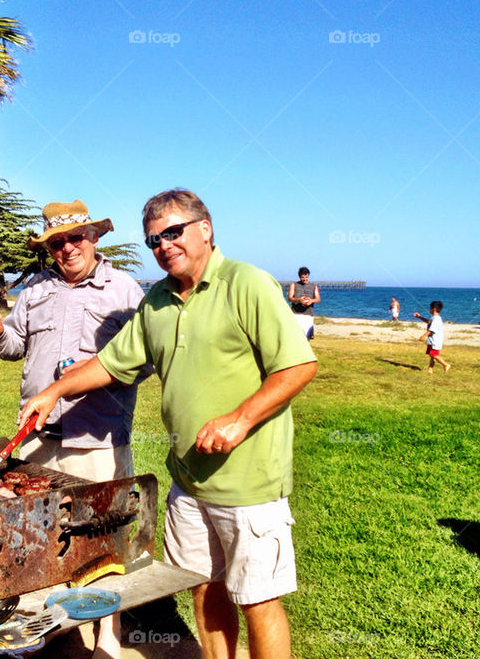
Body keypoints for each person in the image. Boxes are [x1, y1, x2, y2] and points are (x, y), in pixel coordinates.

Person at [18, 189, 317, 659]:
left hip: (250, 482)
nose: (163, 245)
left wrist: (239, 420)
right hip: (188, 479)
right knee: (204, 587)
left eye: (173, 232)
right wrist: (53, 391)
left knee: (258, 599)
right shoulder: (156, 299)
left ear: (205, 229)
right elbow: (112, 363)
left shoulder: (247, 283)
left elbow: (298, 366)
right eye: (154, 239)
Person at [0, 199, 145, 659]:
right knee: (36, 539)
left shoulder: (124, 290)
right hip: (37, 438)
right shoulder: (37, 288)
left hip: (97, 437)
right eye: (56, 242)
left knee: (102, 537)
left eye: (75, 237)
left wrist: (94, 373)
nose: (67, 248)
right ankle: (48, 628)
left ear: (94, 237)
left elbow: (145, 359)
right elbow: (14, 345)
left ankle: (108, 638)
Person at [414, 301, 451, 373]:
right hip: (432, 340)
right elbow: (428, 321)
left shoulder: (437, 319)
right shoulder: (434, 318)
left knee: (434, 354)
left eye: (430, 308)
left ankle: (446, 365)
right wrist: (419, 317)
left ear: (434, 309)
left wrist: (423, 336)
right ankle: (430, 369)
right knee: (432, 356)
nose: (429, 309)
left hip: (435, 341)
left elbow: (431, 329)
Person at [287, 267, 319, 339]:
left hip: (308, 314)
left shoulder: (314, 286)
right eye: (303, 277)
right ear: (299, 276)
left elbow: (318, 298)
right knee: (295, 336)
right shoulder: (294, 284)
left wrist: (311, 301)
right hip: (296, 314)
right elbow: (290, 298)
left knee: (307, 336)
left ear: (308, 275)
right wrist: (299, 300)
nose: (304, 279)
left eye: (306, 277)